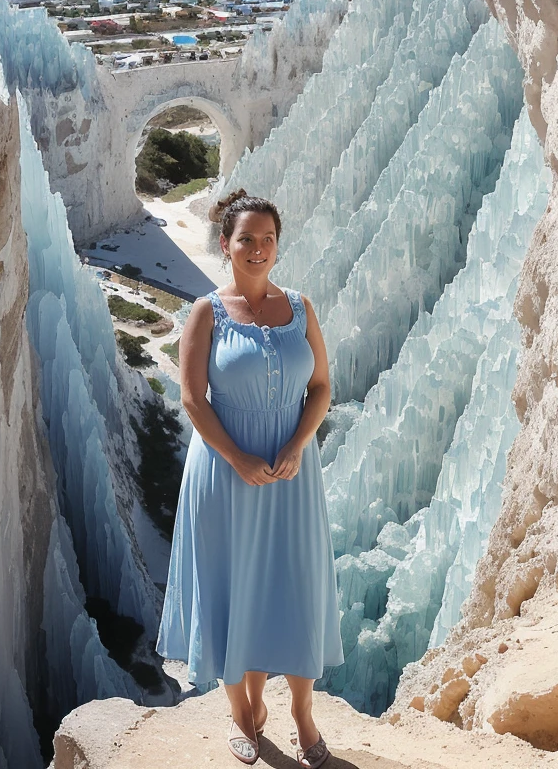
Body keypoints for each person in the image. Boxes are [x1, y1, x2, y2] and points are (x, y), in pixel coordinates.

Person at [156, 189, 343, 768]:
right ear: (226, 245)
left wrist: (296, 443)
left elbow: (321, 389)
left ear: (277, 246)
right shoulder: (206, 312)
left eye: (267, 239)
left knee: (296, 585)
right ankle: (246, 715)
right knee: (232, 586)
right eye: (246, 239)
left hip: (293, 474)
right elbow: (192, 398)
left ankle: (302, 714)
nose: (258, 249)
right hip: (224, 471)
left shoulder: (302, 308)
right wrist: (237, 458)